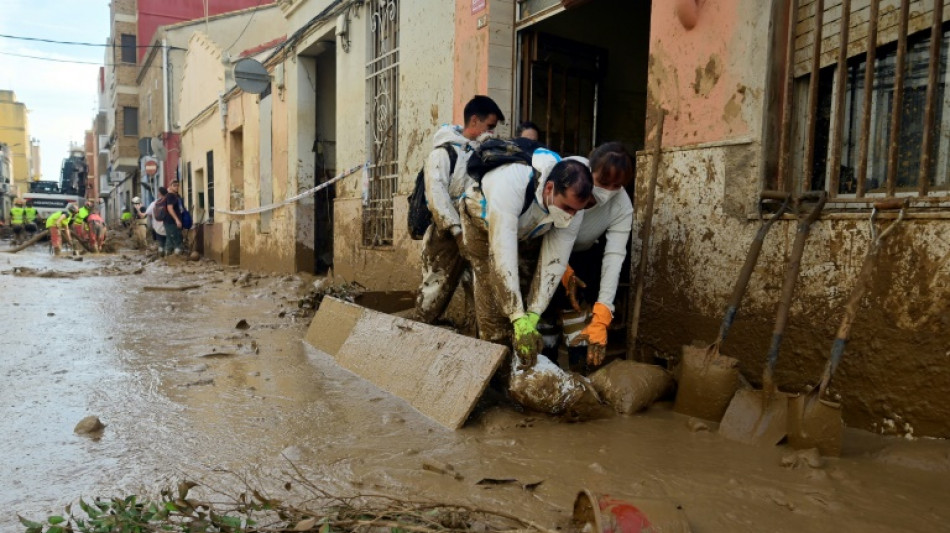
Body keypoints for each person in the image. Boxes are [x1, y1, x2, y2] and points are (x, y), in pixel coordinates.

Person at [459, 152, 592, 367]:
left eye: (577, 211)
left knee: (527, 287)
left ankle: (519, 366)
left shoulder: (573, 204)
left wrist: (533, 313)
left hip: (528, 228)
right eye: (567, 208)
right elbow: (502, 256)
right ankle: (494, 368)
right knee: (492, 296)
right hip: (481, 223)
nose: (571, 216)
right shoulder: (511, 182)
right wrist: (516, 316)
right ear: (549, 188)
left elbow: (554, 261)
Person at [414, 95, 505, 325]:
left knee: (479, 290)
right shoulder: (443, 154)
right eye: (489, 127)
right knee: (434, 292)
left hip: (477, 233)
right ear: (474, 121)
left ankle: (475, 343)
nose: (491, 133)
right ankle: (417, 337)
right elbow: (437, 196)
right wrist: (457, 232)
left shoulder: (485, 154)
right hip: (446, 237)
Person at [551, 142, 636, 372]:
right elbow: (548, 228)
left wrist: (603, 312)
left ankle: (578, 375)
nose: (608, 191)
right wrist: (560, 268)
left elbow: (614, 255)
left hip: (582, 256)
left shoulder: (622, 207)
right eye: (602, 182)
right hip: (544, 249)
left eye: (616, 185)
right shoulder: (569, 174)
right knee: (544, 318)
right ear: (589, 170)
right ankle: (541, 369)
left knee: (578, 317)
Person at [163, 180, 184, 256]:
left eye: (177, 185)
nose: (176, 187)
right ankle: (174, 259)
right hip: (171, 222)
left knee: (171, 239)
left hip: (174, 222)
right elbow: (170, 208)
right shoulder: (170, 196)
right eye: (174, 185)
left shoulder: (177, 196)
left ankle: (169, 259)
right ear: (170, 186)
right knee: (175, 240)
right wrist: (177, 220)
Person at [145, 187, 167, 252]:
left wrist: (153, 219)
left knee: (160, 243)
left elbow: (148, 213)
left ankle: (160, 256)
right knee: (168, 243)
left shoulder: (154, 203)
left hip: (157, 227)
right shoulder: (168, 201)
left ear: (159, 193)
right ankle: (168, 257)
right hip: (167, 226)